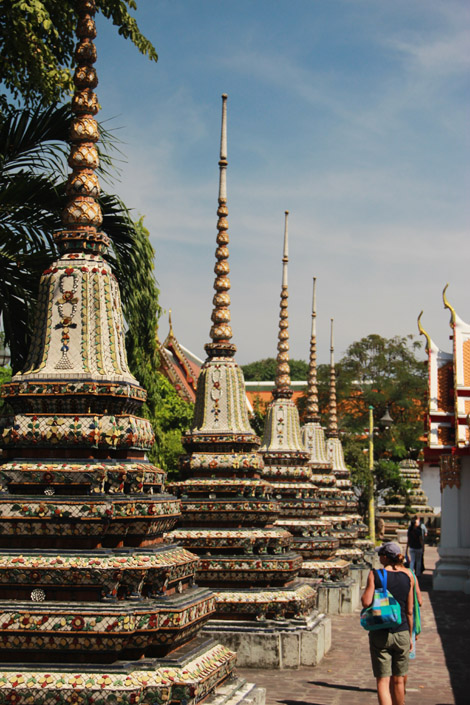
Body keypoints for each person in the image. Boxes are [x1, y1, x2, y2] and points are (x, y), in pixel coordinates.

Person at [362, 542, 413, 705]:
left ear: (385, 557)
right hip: (402, 631)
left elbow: (366, 602)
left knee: (383, 681)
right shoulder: (407, 576)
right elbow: (409, 611)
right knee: (399, 681)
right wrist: (410, 636)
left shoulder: (375, 574)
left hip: (380, 632)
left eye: (380, 555)